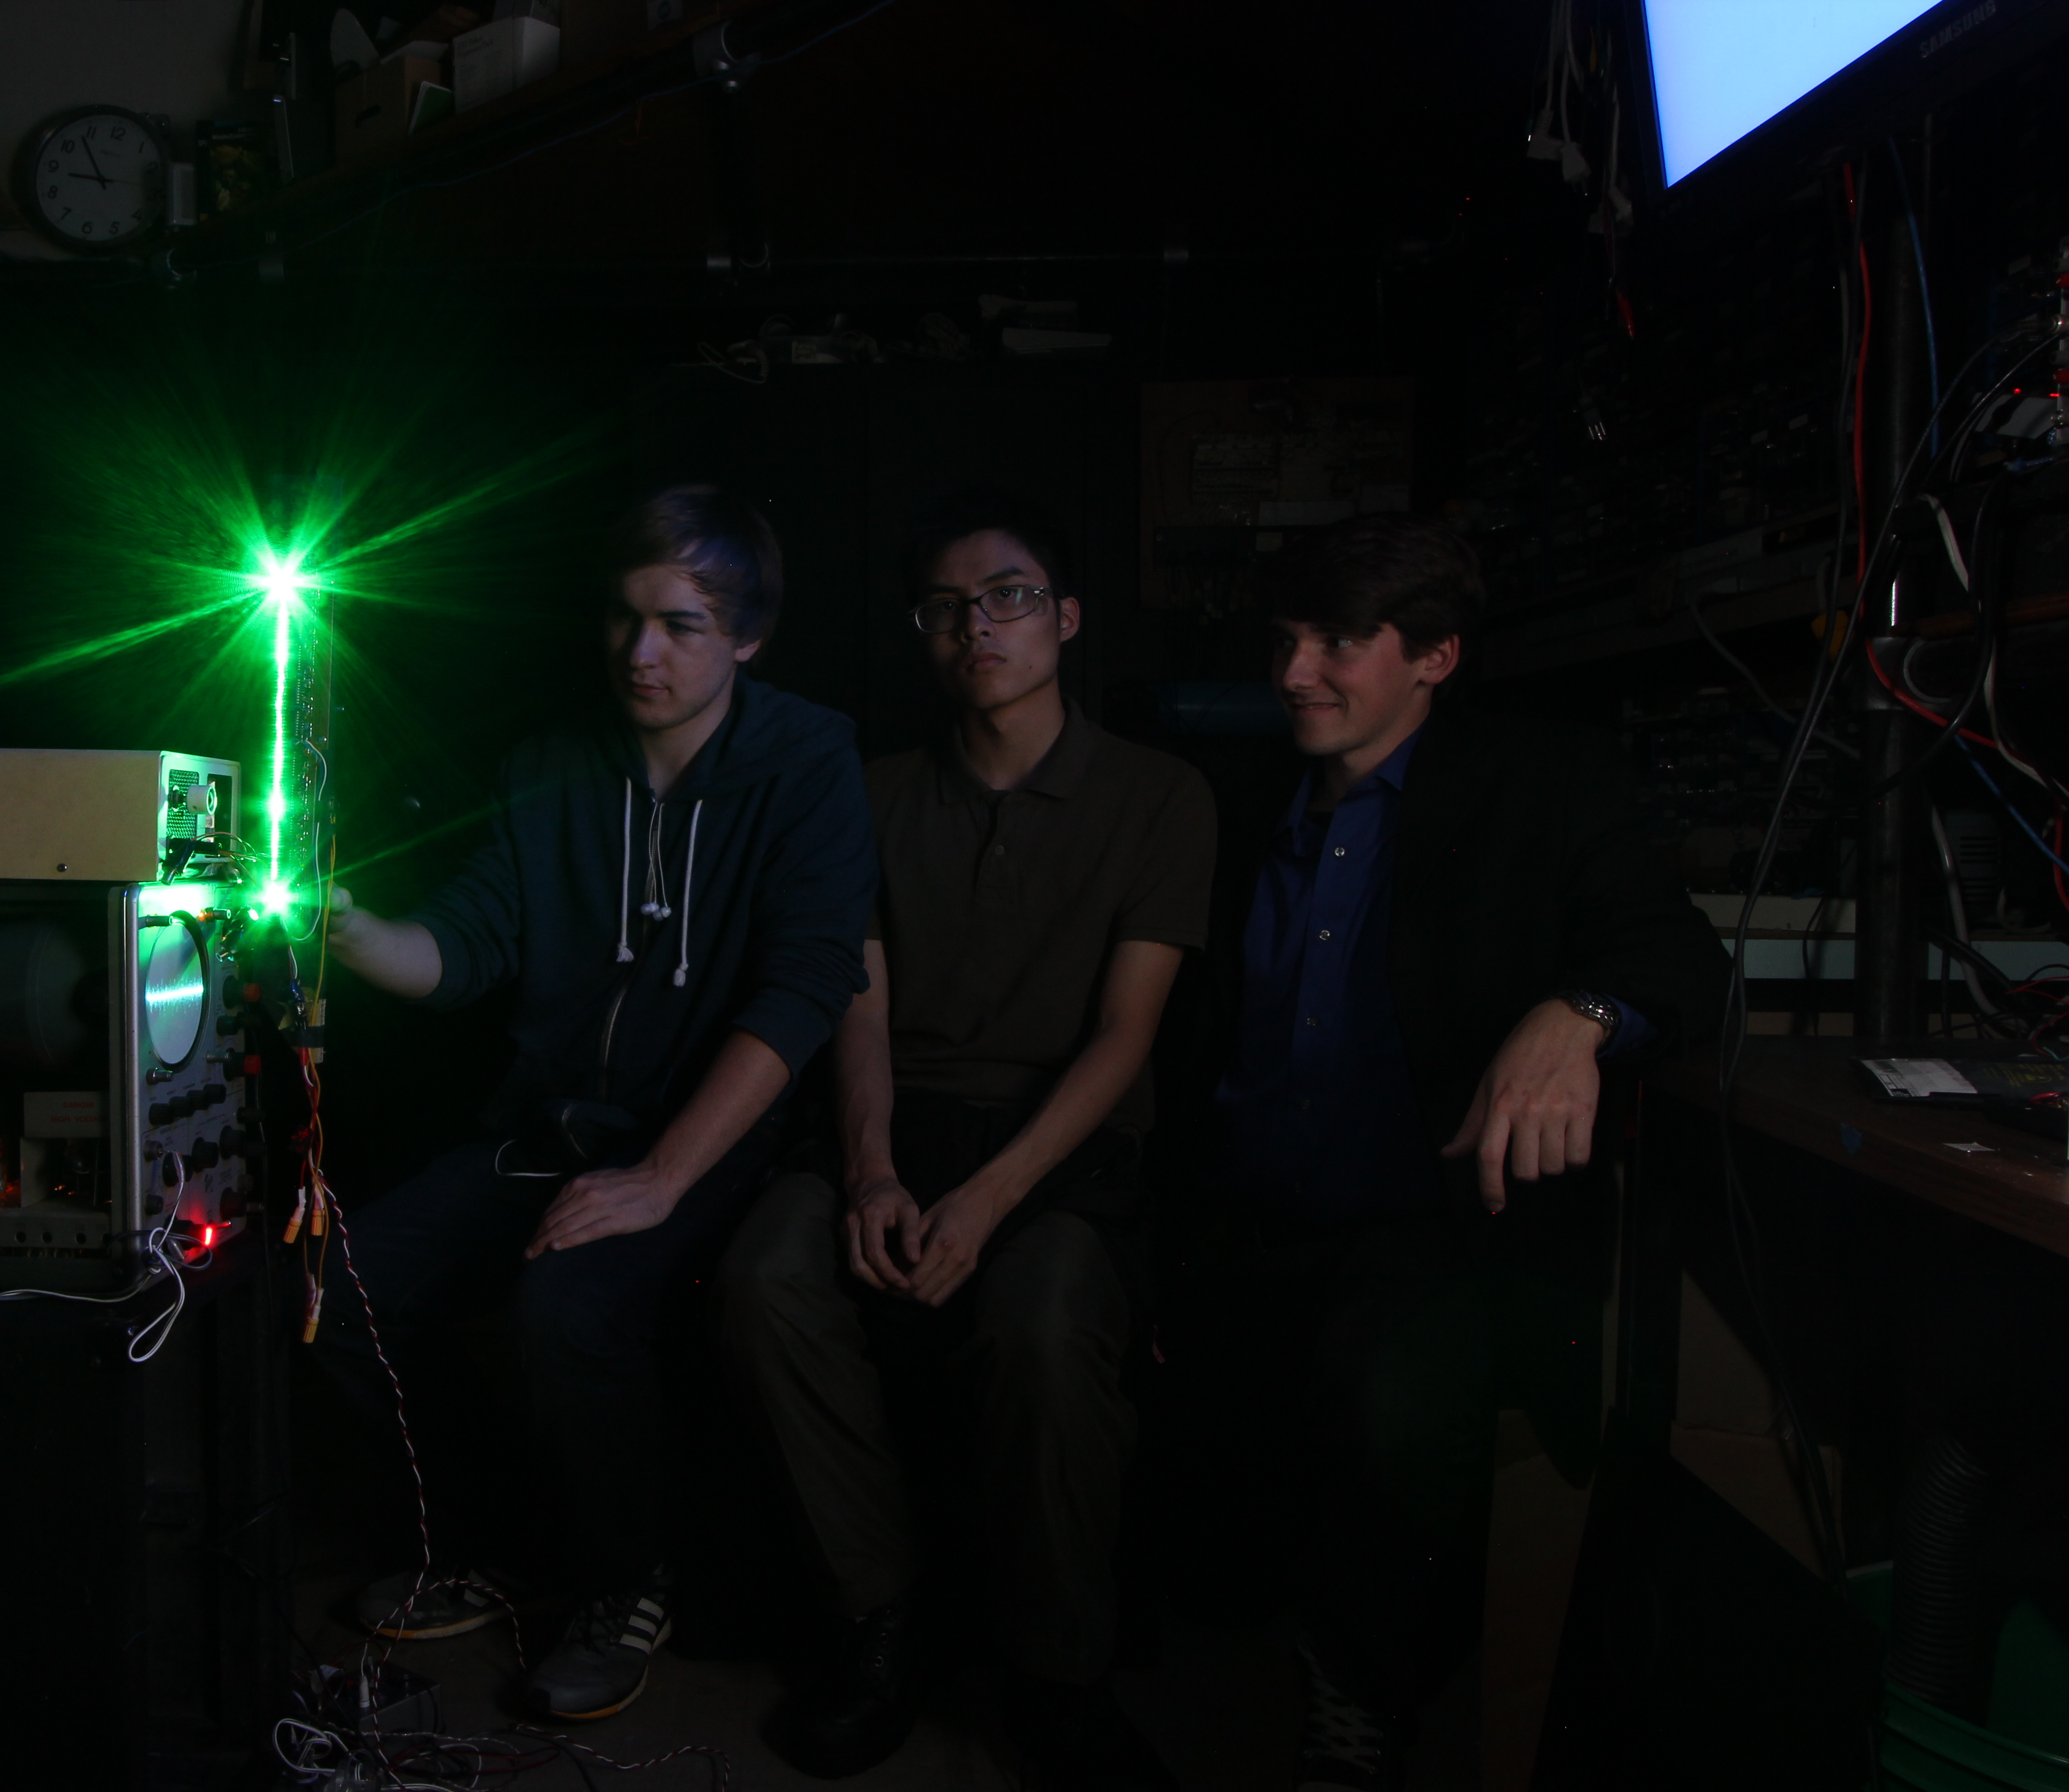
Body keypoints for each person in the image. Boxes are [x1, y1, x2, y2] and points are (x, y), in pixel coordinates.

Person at [1164, 514, 1729, 1791]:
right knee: (1207, 1529)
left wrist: (1576, 1013)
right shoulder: (1234, 795)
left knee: (1389, 1394)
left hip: (1427, 1226)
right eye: (1284, 640)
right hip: (1240, 1218)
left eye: (1337, 643)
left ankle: (1356, 1705)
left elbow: (1681, 957)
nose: (1295, 673)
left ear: (1435, 656)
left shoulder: (1540, 784)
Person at [313, 485, 878, 1721]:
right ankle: (486, 1543)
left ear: (748, 637)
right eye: (625, 618)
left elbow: (804, 990)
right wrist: (345, 929)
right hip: (553, 1125)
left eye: (680, 624)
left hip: (719, 1142)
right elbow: (462, 948)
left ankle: (627, 1583)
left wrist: (664, 1177)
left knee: (570, 1304)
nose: (641, 652)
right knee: (343, 1285)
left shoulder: (808, 761)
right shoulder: (553, 764)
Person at [715, 489, 1216, 1787]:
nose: (975, 628)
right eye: (946, 609)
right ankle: (883, 1619)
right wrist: (872, 1168)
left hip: (1062, 1144)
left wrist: (990, 1201)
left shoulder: (1160, 796)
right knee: (768, 1272)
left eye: (1006, 599)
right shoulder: (873, 792)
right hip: (896, 1119)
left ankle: (1059, 1673)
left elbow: (1126, 1036)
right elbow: (859, 1002)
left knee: (1044, 1318)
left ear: (1066, 619)